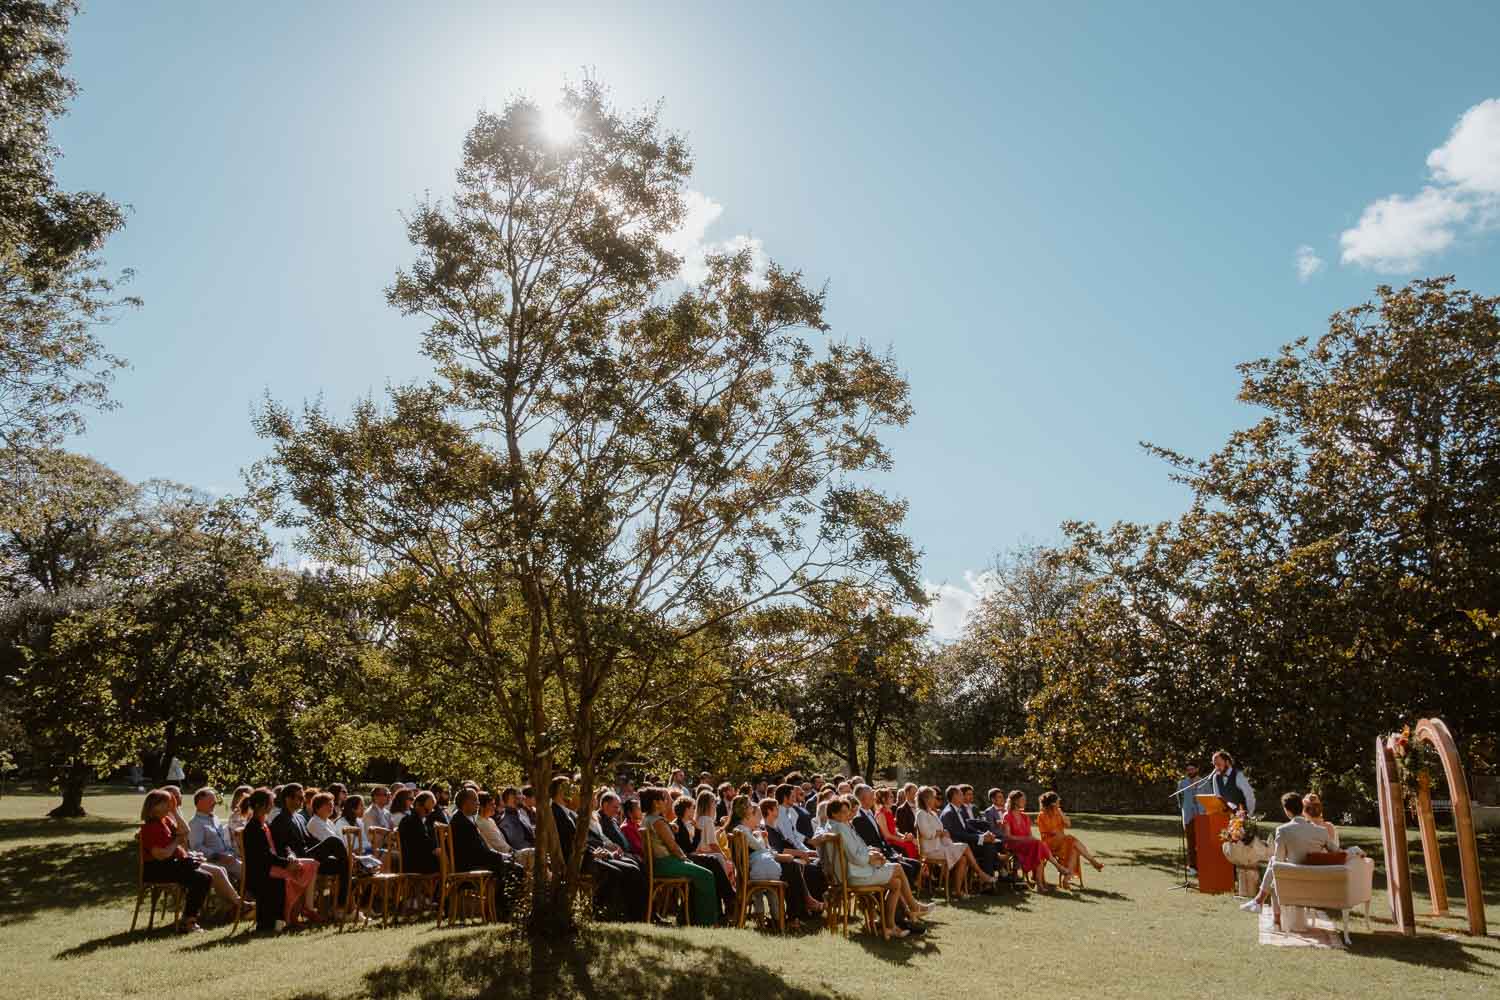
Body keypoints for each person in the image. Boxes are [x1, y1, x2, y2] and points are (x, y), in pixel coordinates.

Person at [140, 789, 248, 932]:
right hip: (157, 869)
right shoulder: (150, 828)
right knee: (202, 878)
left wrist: (175, 812)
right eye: (166, 804)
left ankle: (237, 905)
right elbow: (162, 855)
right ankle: (189, 921)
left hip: (173, 865)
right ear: (154, 806)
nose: (169, 807)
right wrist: (176, 841)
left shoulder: (165, 821)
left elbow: (186, 831)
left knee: (213, 872)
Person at [822, 798, 932, 940]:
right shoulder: (841, 827)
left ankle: (889, 926)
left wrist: (870, 852)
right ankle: (914, 907)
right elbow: (855, 856)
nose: (847, 814)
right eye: (843, 812)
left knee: (896, 883)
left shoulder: (833, 826)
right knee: (898, 867)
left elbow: (854, 850)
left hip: (850, 873)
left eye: (847, 811)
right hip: (854, 875)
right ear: (834, 814)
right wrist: (871, 857)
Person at [1241, 791, 1335, 917]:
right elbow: (1337, 851)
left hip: (1292, 879)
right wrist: (1355, 851)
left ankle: (1267, 909)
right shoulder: (1321, 831)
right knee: (1274, 863)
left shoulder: (1283, 830)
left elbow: (1278, 861)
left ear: (1287, 810)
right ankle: (1258, 901)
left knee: (1274, 863)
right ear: (1302, 808)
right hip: (1316, 881)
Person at [269, 783, 352, 916]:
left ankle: (341, 908)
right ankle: (341, 907)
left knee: (343, 864)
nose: (303, 801)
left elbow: (310, 840)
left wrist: (325, 850)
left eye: (303, 798)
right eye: (299, 798)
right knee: (334, 842)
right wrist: (291, 855)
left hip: (309, 854)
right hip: (298, 859)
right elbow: (282, 846)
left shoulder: (299, 817)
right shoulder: (280, 820)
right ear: (287, 799)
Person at [641, 786, 719, 926]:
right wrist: (685, 859)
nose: (667, 802)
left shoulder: (649, 819)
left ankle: (690, 917)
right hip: (665, 864)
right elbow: (673, 846)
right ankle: (707, 921)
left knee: (699, 874)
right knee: (706, 875)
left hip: (661, 863)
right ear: (656, 802)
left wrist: (670, 829)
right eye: (664, 799)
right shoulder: (657, 821)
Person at [244, 786, 320, 928]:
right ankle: (290, 917)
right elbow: (264, 856)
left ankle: (294, 914)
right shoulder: (254, 828)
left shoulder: (264, 824)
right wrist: (286, 864)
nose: (273, 805)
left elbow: (281, 846)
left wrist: (290, 855)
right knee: (299, 871)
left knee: (310, 864)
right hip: (262, 872)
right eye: (271, 802)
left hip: (272, 866)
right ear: (262, 805)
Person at [450, 788, 525, 916]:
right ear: (466, 802)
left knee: (510, 866)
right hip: (469, 865)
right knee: (516, 869)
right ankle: (504, 912)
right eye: (475, 801)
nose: (478, 804)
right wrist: (500, 857)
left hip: (474, 860)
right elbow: (478, 852)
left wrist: (501, 856)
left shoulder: (464, 819)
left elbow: (479, 850)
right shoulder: (461, 822)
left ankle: (500, 909)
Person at [914, 785, 992, 896]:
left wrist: (944, 833)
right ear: (926, 799)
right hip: (930, 850)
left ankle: (957, 891)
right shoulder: (920, 814)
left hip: (941, 846)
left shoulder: (933, 813)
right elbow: (927, 833)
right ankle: (980, 873)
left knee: (964, 859)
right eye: (933, 797)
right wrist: (941, 833)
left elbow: (940, 831)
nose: (935, 800)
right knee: (965, 846)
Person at [1037, 791, 1103, 888]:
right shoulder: (1042, 815)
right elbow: (1053, 832)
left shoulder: (1058, 812)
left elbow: (1068, 824)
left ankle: (1066, 880)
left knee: (1074, 849)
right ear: (1052, 803)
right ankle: (1092, 861)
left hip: (1062, 842)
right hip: (1048, 844)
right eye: (1058, 801)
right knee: (1071, 839)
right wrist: (1059, 833)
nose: (1059, 803)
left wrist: (1060, 813)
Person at [996, 790, 1055, 890]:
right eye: (1022, 800)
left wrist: (1029, 839)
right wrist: (1025, 839)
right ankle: (1055, 869)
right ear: (1015, 801)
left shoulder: (1025, 816)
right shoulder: (1007, 815)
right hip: (1013, 844)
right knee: (1038, 846)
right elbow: (1008, 837)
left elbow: (1030, 835)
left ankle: (1040, 884)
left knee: (1038, 847)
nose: (1025, 802)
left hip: (1027, 844)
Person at [939, 784, 1001, 876]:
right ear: (954, 797)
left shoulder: (958, 810)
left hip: (967, 842)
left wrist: (983, 835)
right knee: (989, 848)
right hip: (958, 846)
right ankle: (990, 875)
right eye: (961, 795)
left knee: (992, 843)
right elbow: (958, 835)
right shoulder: (949, 813)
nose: (963, 797)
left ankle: (989, 876)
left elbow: (968, 827)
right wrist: (981, 838)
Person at [188, 787, 241, 881]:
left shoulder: (215, 818)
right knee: (248, 871)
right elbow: (196, 847)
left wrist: (231, 852)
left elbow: (223, 841)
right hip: (214, 861)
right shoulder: (195, 823)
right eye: (211, 800)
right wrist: (219, 856)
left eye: (214, 799)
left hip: (228, 856)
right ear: (200, 802)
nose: (215, 802)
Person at [1178, 763, 1206, 874]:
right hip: (1188, 815)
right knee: (1191, 842)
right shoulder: (1182, 783)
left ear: (1197, 769)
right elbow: (1179, 799)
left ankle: (1203, 864)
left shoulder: (1204, 782)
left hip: (1201, 815)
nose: (1190, 771)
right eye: (1188, 770)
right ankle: (1192, 866)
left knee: (1202, 842)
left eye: (1192, 769)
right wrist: (1183, 808)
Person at [1208, 750, 1256, 815]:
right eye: (1215, 765)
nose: (1216, 768)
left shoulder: (1238, 775)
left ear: (1227, 762)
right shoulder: (1215, 777)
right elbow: (1218, 798)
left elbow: (1249, 795)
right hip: (1226, 815)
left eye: (1219, 764)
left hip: (1242, 815)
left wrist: (1249, 814)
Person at [875, 787, 918, 859]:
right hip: (889, 843)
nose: (893, 799)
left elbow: (895, 831)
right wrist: (902, 840)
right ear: (883, 799)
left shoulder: (889, 812)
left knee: (913, 842)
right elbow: (887, 835)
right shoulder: (881, 814)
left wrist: (905, 836)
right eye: (891, 797)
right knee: (909, 845)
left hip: (895, 839)